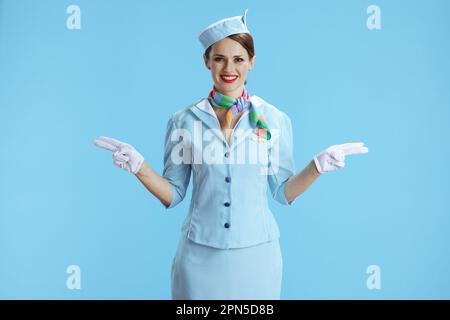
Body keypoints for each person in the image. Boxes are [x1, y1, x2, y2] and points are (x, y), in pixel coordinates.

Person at [93, 9, 368, 299]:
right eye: (220, 58)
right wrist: (139, 167)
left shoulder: (273, 120)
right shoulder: (183, 121)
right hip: (198, 255)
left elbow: (283, 192)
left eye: (238, 59)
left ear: (252, 62)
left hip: (258, 256)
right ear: (206, 62)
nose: (229, 67)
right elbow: (173, 194)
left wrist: (317, 167)